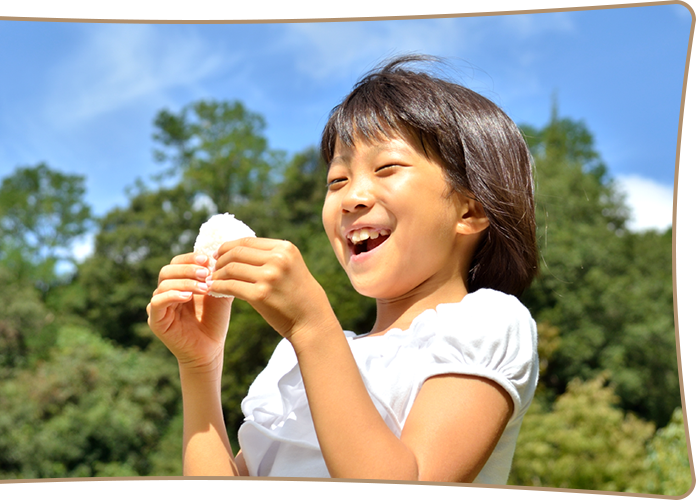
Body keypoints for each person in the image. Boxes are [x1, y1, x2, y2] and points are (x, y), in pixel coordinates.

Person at [146, 54, 540, 483]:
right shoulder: (294, 364)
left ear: (471, 210)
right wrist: (201, 366)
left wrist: (311, 324)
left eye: (387, 168)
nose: (352, 197)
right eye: (337, 181)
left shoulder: (488, 322)